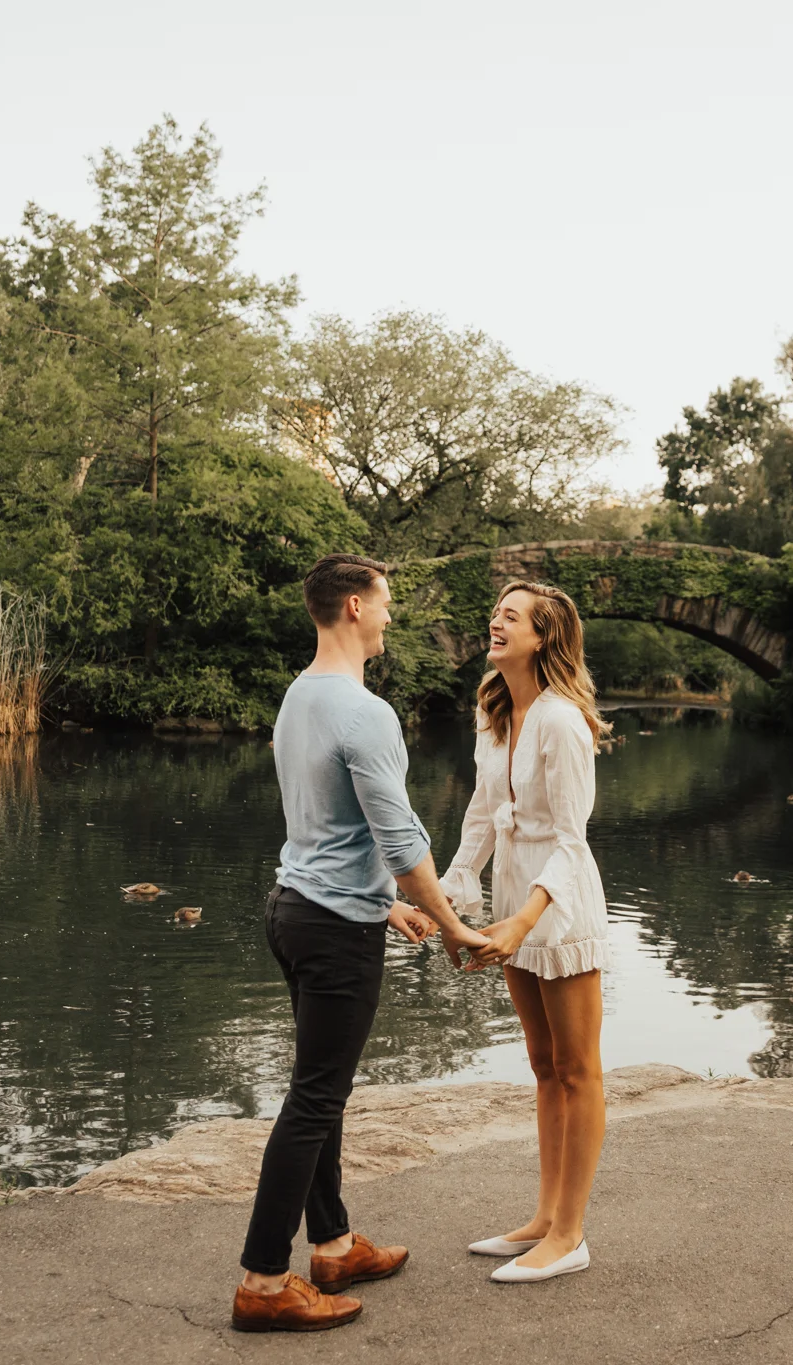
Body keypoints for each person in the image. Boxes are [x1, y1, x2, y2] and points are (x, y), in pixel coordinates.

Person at [231, 554, 491, 1334]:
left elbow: (325, 830)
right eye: (384, 603)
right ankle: (263, 1280)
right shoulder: (364, 713)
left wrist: (384, 906)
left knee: (322, 1088)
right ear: (353, 606)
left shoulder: (298, 696)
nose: (389, 615)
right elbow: (401, 840)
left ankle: (335, 1246)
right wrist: (452, 923)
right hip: (332, 929)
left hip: (296, 908)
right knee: (315, 1098)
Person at [440, 581, 612, 1284]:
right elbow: (483, 817)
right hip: (514, 897)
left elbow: (572, 841)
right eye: (496, 612)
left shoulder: (564, 721)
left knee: (578, 1068)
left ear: (544, 637)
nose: (496, 621)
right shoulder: (496, 715)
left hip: (557, 908)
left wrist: (524, 919)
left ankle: (571, 1234)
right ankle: (543, 1218)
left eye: (511, 616)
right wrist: (450, 895)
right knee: (543, 1065)